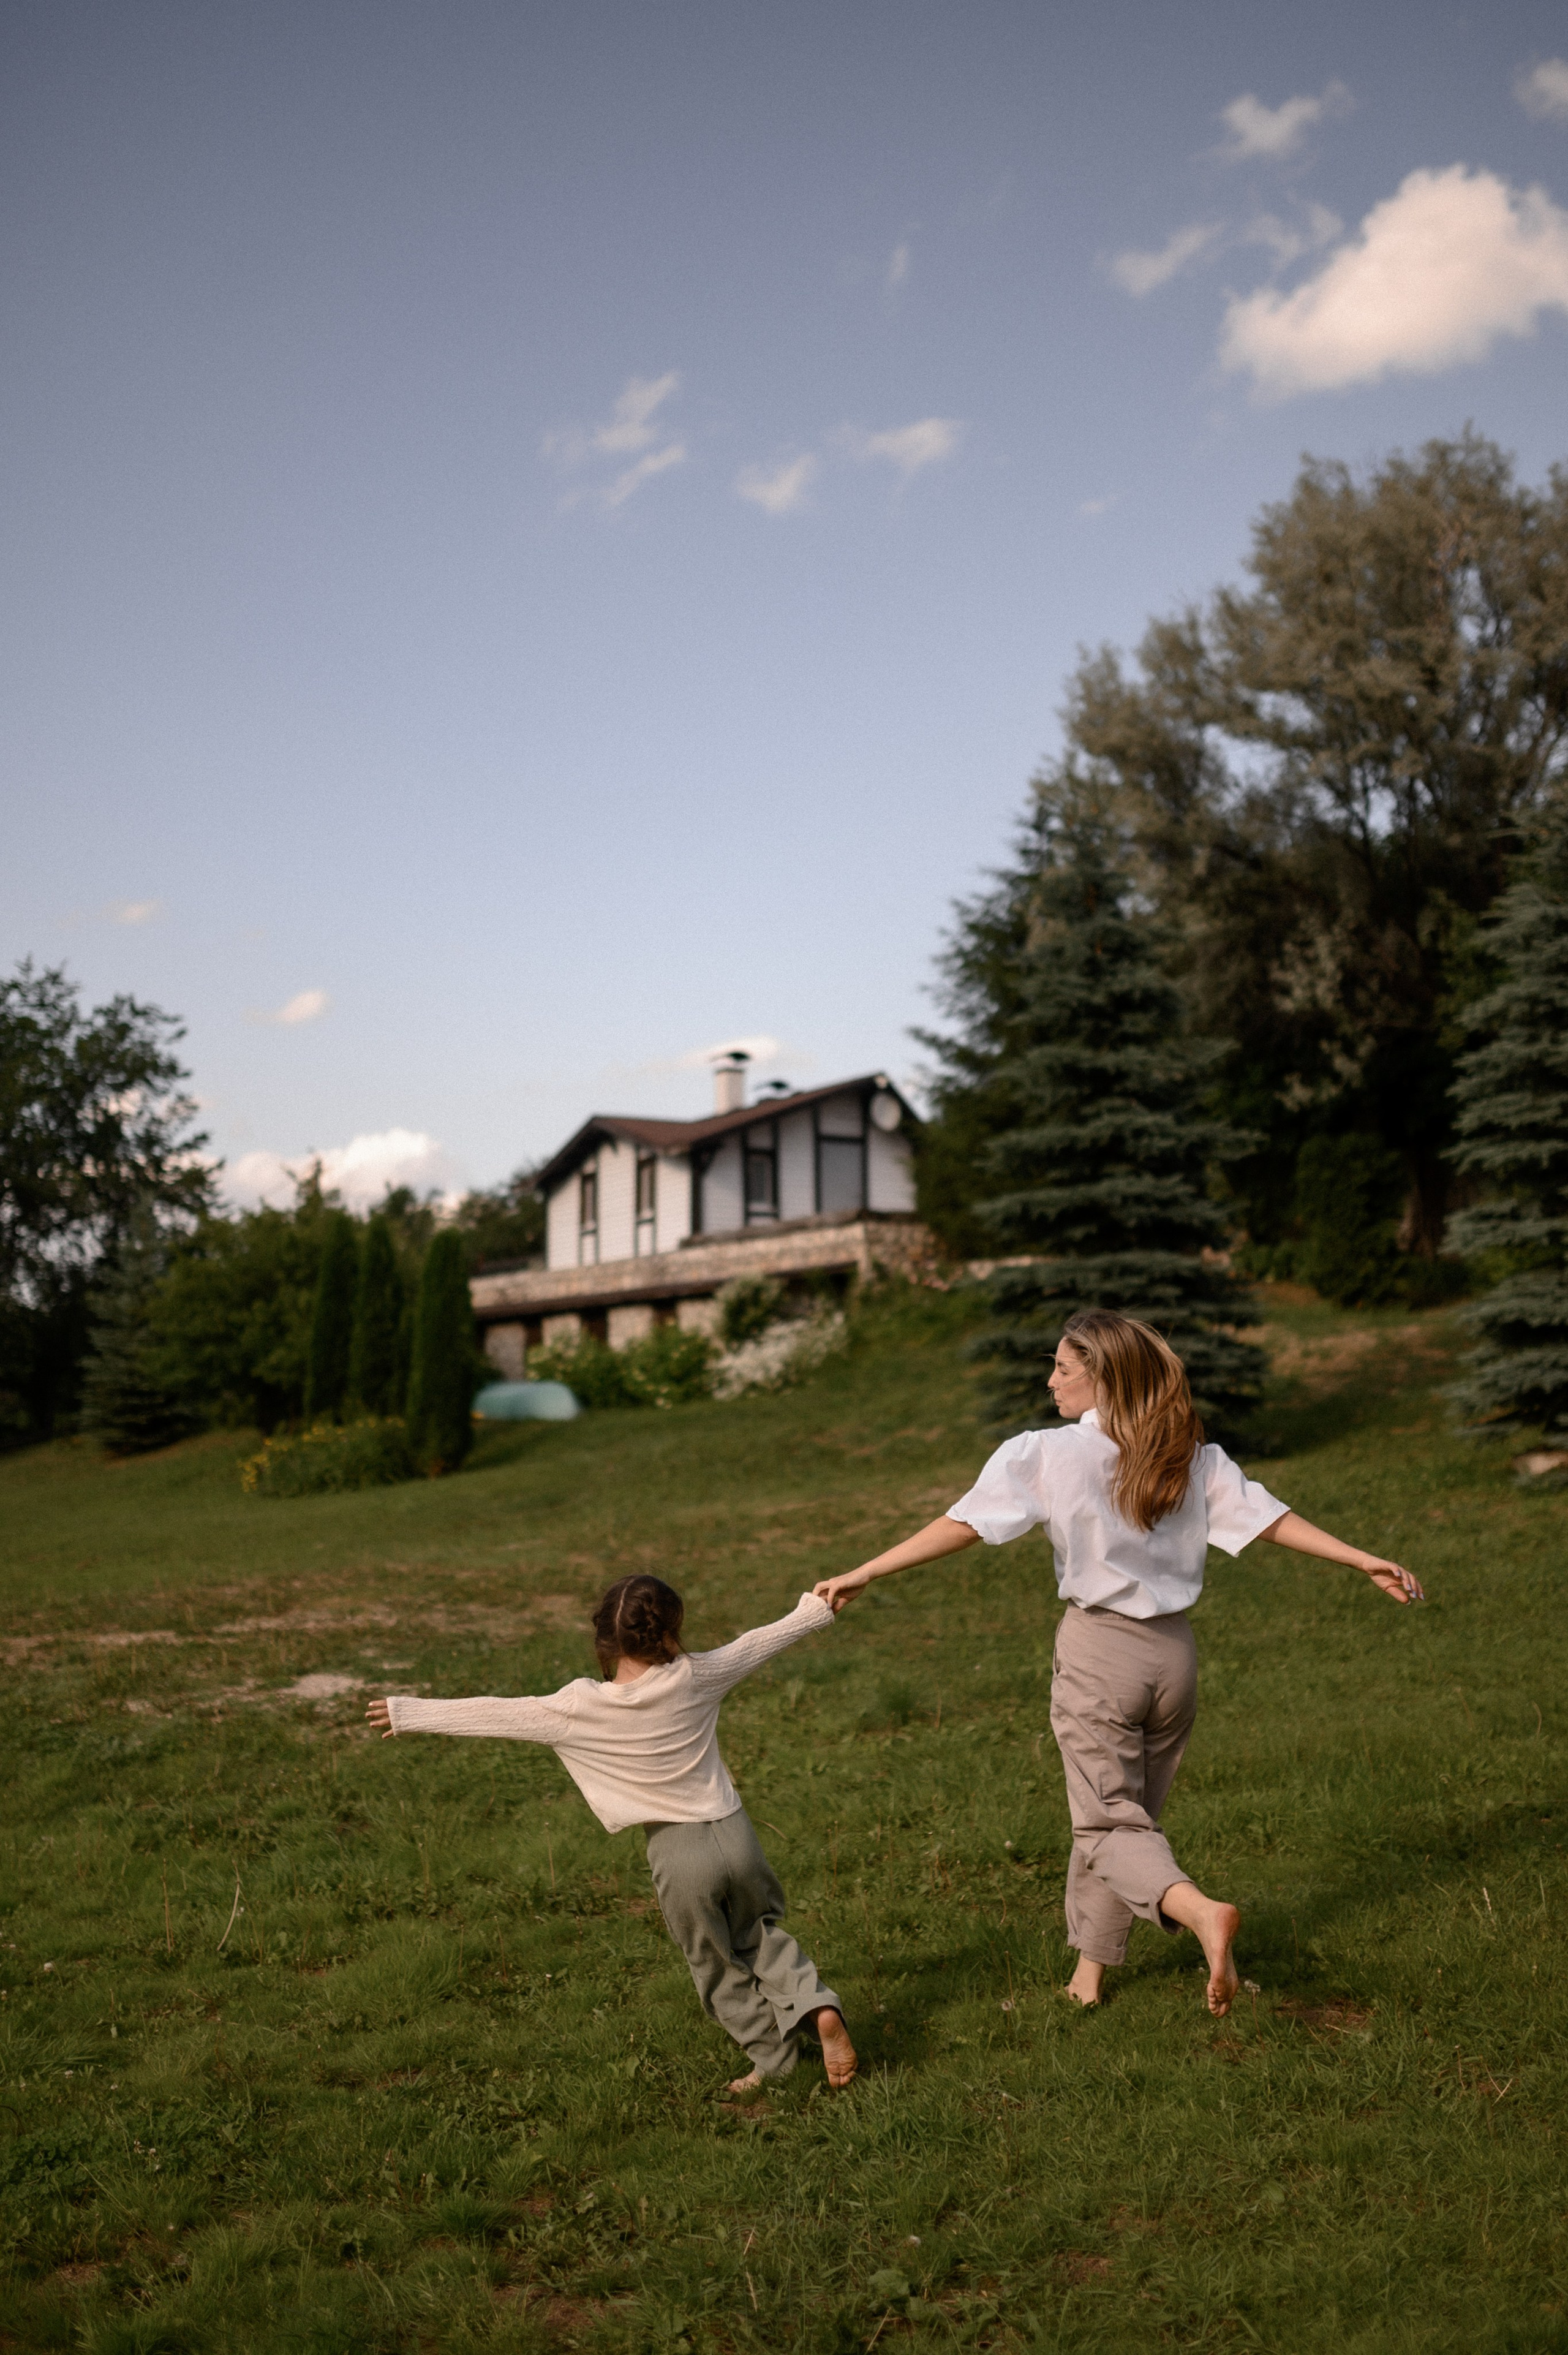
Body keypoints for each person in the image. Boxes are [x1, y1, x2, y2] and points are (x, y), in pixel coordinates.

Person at [814, 1309, 1423, 2017]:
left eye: (1063, 1369)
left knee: (1106, 1828)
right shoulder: (1188, 1454)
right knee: (1124, 1824)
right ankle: (1088, 1978)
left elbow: (966, 1523)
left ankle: (1200, 1914)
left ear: (1102, 1377)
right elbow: (1266, 1518)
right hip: (1174, 1659)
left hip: (1101, 1652)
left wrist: (868, 1569)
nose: (1050, 1382)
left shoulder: (1046, 1453)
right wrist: (1359, 1558)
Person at [366, 1574, 856, 2094]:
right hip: (735, 1834)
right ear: (672, 1632)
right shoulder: (696, 1675)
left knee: (712, 1960)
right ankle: (816, 2005)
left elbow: (499, 1712)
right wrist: (814, 1611)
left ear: (605, 1640)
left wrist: (411, 1713)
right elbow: (757, 1642)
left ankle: (773, 2060)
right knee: (759, 1931)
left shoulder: (580, 1707)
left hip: (678, 1851)